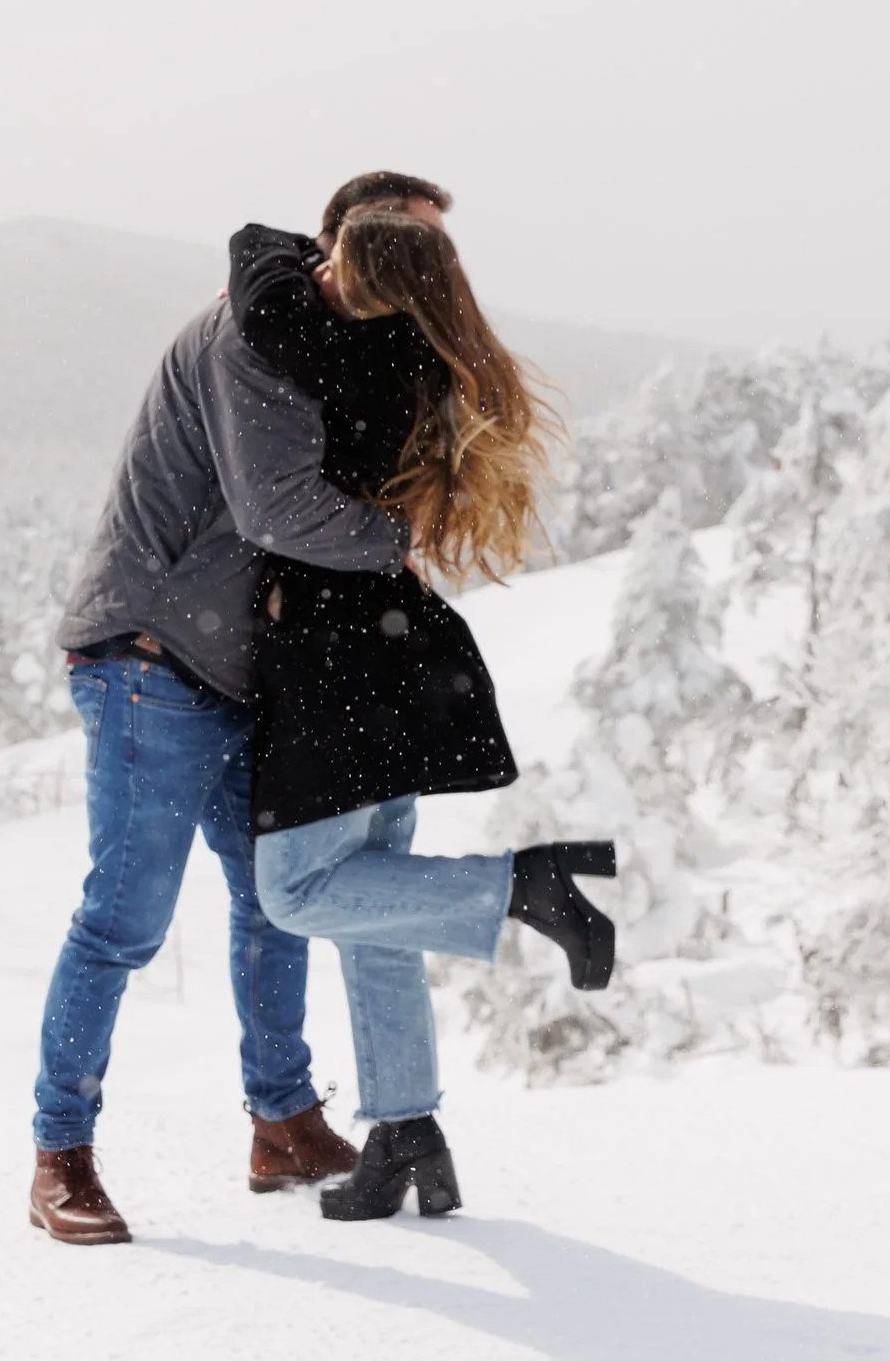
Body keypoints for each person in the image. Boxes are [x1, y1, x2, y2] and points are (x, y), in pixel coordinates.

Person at [28, 173, 461, 1246]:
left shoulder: (332, 346)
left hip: (235, 669)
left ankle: (284, 1120)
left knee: (274, 901)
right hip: (152, 652)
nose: (416, 273)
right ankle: (59, 1154)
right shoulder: (250, 337)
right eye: (401, 246)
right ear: (340, 241)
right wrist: (398, 543)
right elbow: (279, 506)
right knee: (123, 915)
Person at [231, 207, 616, 1224]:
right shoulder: (414, 351)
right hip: (391, 643)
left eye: (338, 259)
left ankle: (520, 887)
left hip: (332, 647)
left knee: (299, 890)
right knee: (377, 899)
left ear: (359, 271)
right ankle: (406, 1130)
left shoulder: (332, 346)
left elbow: (264, 293)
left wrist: (276, 244)